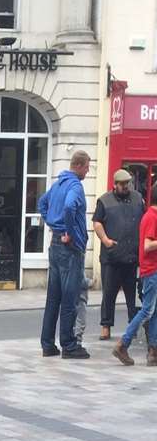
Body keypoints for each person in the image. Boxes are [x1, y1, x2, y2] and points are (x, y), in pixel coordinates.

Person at [37, 150, 91, 359]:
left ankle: (47, 344)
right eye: (87, 167)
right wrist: (68, 231)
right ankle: (69, 345)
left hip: (55, 245)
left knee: (53, 298)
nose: (87, 171)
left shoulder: (58, 183)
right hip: (70, 248)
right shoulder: (75, 186)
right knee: (69, 298)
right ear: (79, 166)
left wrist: (52, 223)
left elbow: (43, 203)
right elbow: (69, 207)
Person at [93, 168, 145, 340]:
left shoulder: (138, 198)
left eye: (127, 183)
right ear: (114, 184)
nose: (125, 186)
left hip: (132, 255)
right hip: (111, 256)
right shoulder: (104, 201)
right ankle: (106, 326)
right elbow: (97, 222)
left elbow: (144, 220)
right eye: (122, 184)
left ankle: (133, 324)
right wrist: (106, 240)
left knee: (133, 294)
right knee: (109, 292)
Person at [114, 191, 157, 368]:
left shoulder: (150, 215)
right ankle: (123, 344)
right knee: (147, 310)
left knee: (154, 311)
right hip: (152, 271)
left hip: (152, 270)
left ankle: (153, 350)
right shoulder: (152, 217)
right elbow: (148, 246)